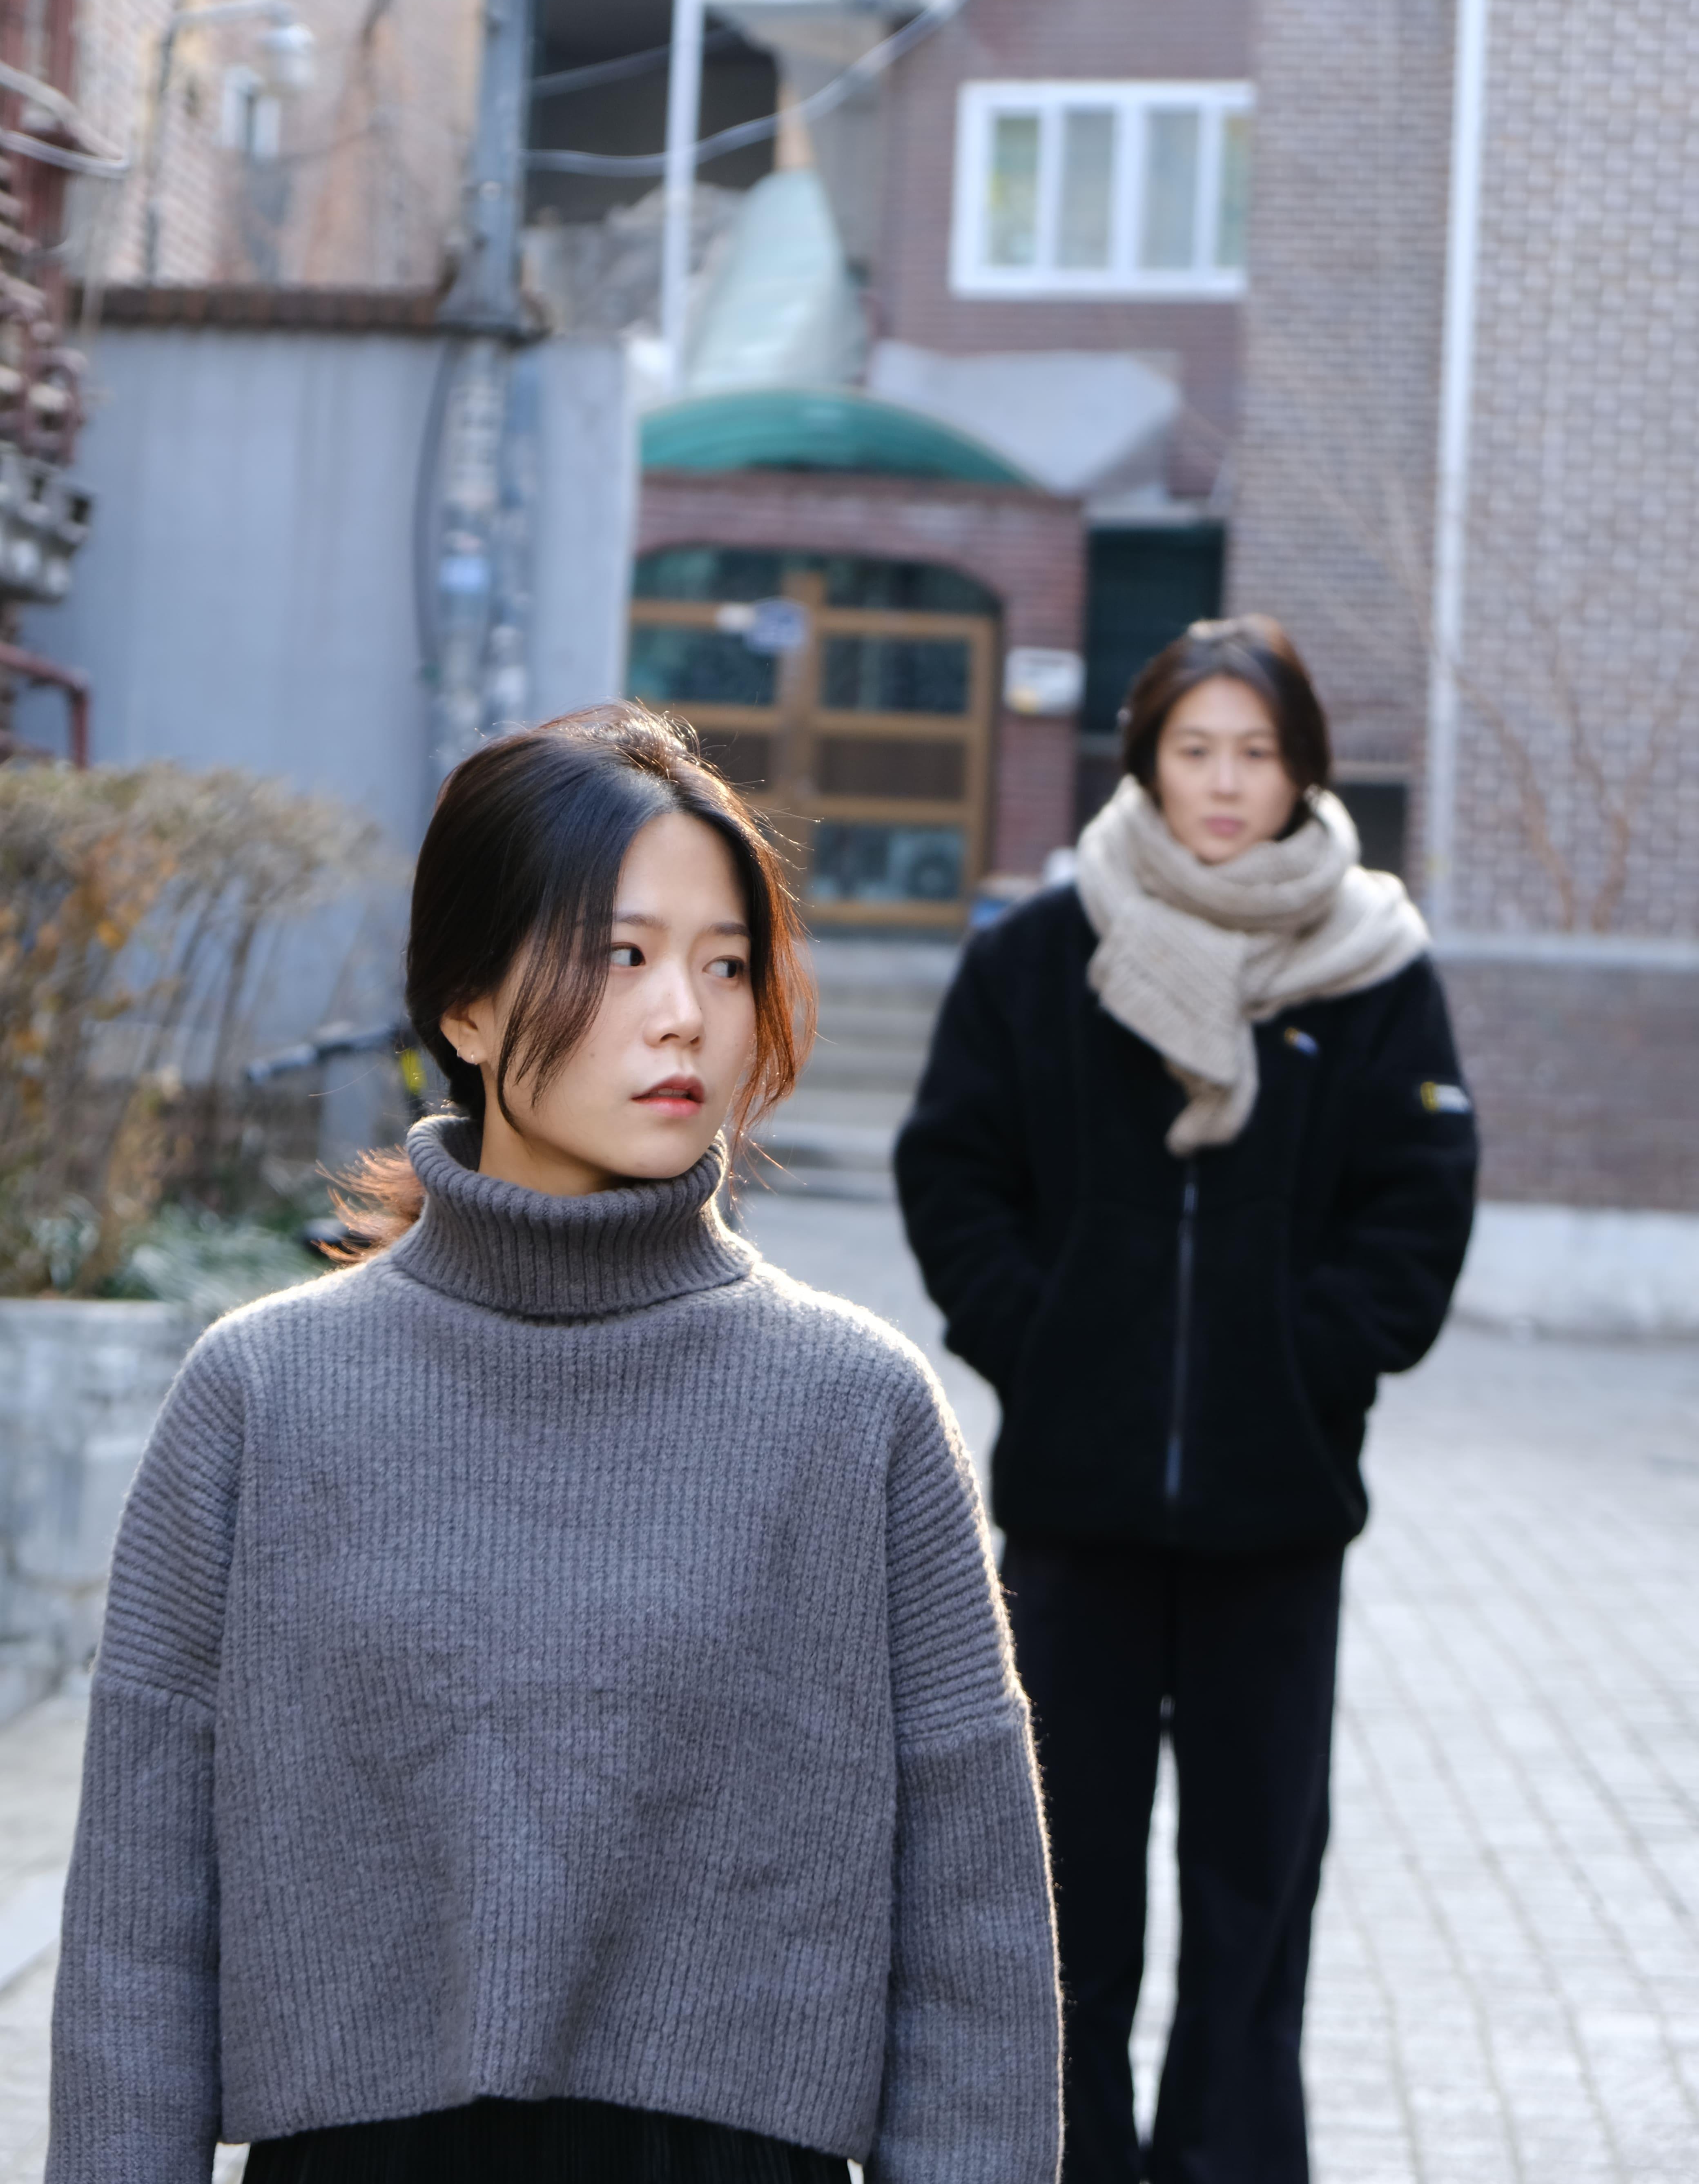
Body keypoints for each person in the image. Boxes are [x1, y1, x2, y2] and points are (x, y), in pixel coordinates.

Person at [49, 704, 1061, 2184]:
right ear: (464, 1007)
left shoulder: (857, 1410)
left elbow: (973, 1952)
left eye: (727, 964)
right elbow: (140, 1938)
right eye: (622, 955)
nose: (686, 1016)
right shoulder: (264, 1399)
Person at [896, 617, 1477, 2184]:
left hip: (1276, 1517)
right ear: (1147, 757)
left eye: (1257, 755)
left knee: (1253, 1894)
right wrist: (1046, 1341)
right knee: (1064, 1886)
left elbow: (1422, 1204)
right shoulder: (1043, 952)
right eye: (1196, 749)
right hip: (1073, 1517)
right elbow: (952, 1170)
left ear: (1304, 772)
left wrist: (1309, 1360)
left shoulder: (1373, 967)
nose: (1225, 784)